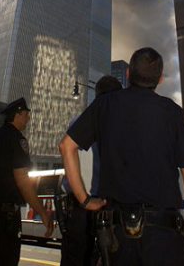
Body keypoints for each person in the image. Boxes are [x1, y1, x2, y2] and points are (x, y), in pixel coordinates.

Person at [59, 48, 184, 266]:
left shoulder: (104, 105)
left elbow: (66, 146)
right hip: (165, 239)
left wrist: (85, 199)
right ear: (160, 78)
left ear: (128, 74)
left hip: (117, 238)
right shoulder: (173, 113)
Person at [0, 97, 54, 266]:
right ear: (18, 115)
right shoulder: (18, 140)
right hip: (4, 218)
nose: (28, 119)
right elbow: (22, 179)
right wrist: (43, 212)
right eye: (26, 115)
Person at [60, 75, 122, 266]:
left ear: (97, 95)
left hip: (80, 205)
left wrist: (83, 199)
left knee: (76, 258)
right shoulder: (125, 123)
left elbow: (66, 149)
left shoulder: (78, 121)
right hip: (111, 205)